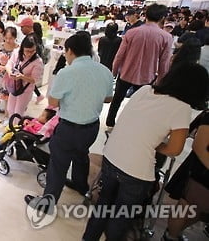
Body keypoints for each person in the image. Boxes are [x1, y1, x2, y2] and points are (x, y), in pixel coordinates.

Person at [83, 63, 209, 241]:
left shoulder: (145, 90)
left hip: (112, 156)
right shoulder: (182, 108)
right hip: (136, 171)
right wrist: (155, 145)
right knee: (121, 216)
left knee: (103, 205)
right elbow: (175, 149)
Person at [25, 32, 114, 205]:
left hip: (69, 128)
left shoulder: (67, 72)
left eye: (65, 52)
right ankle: (81, 186)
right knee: (81, 156)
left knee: (58, 165)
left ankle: (47, 204)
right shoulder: (105, 71)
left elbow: (53, 101)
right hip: (91, 128)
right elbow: (108, 98)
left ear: (71, 51)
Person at [106, 4, 173, 130]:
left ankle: (110, 123)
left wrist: (113, 72)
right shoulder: (166, 37)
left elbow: (119, 56)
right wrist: (160, 82)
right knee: (140, 103)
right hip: (147, 76)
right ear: (162, 18)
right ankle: (131, 125)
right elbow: (164, 63)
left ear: (145, 15)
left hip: (126, 72)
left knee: (117, 100)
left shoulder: (132, 32)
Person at [163, 110, 209, 241]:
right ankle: (171, 235)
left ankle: (174, 233)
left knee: (200, 211)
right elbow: (199, 145)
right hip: (199, 171)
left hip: (201, 172)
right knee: (186, 206)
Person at [5, 34, 43, 117]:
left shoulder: (38, 61)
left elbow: (34, 80)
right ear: (22, 48)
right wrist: (10, 73)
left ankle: (16, 128)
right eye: (27, 51)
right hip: (14, 86)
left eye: (32, 51)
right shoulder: (16, 52)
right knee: (10, 109)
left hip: (26, 90)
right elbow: (9, 64)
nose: (30, 54)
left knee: (18, 112)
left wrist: (22, 76)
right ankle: (10, 126)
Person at [0, 27, 19, 112]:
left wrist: (7, 68)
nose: (8, 40)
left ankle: (9, 113)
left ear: (15, 37)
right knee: (0, 94)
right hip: (0, 74)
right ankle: (2, 110)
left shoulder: (18, 48)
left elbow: (18, 63)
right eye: (6, 38)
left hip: (11, 75)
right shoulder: (1, 46)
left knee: (10, 96)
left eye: (10, 38)